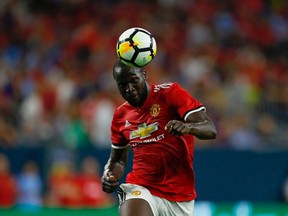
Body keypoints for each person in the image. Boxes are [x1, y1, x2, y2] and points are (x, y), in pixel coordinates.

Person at [101, 59, 217, 216]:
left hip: (180, 197)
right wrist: (109, 174)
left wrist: (188, 127)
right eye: (123, 85)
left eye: (134, 81)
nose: (129, 89)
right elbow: (118, 161)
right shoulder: (120, 116)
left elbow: (210, 129)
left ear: (144, 74)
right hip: (141, 187)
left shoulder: (170, 93)